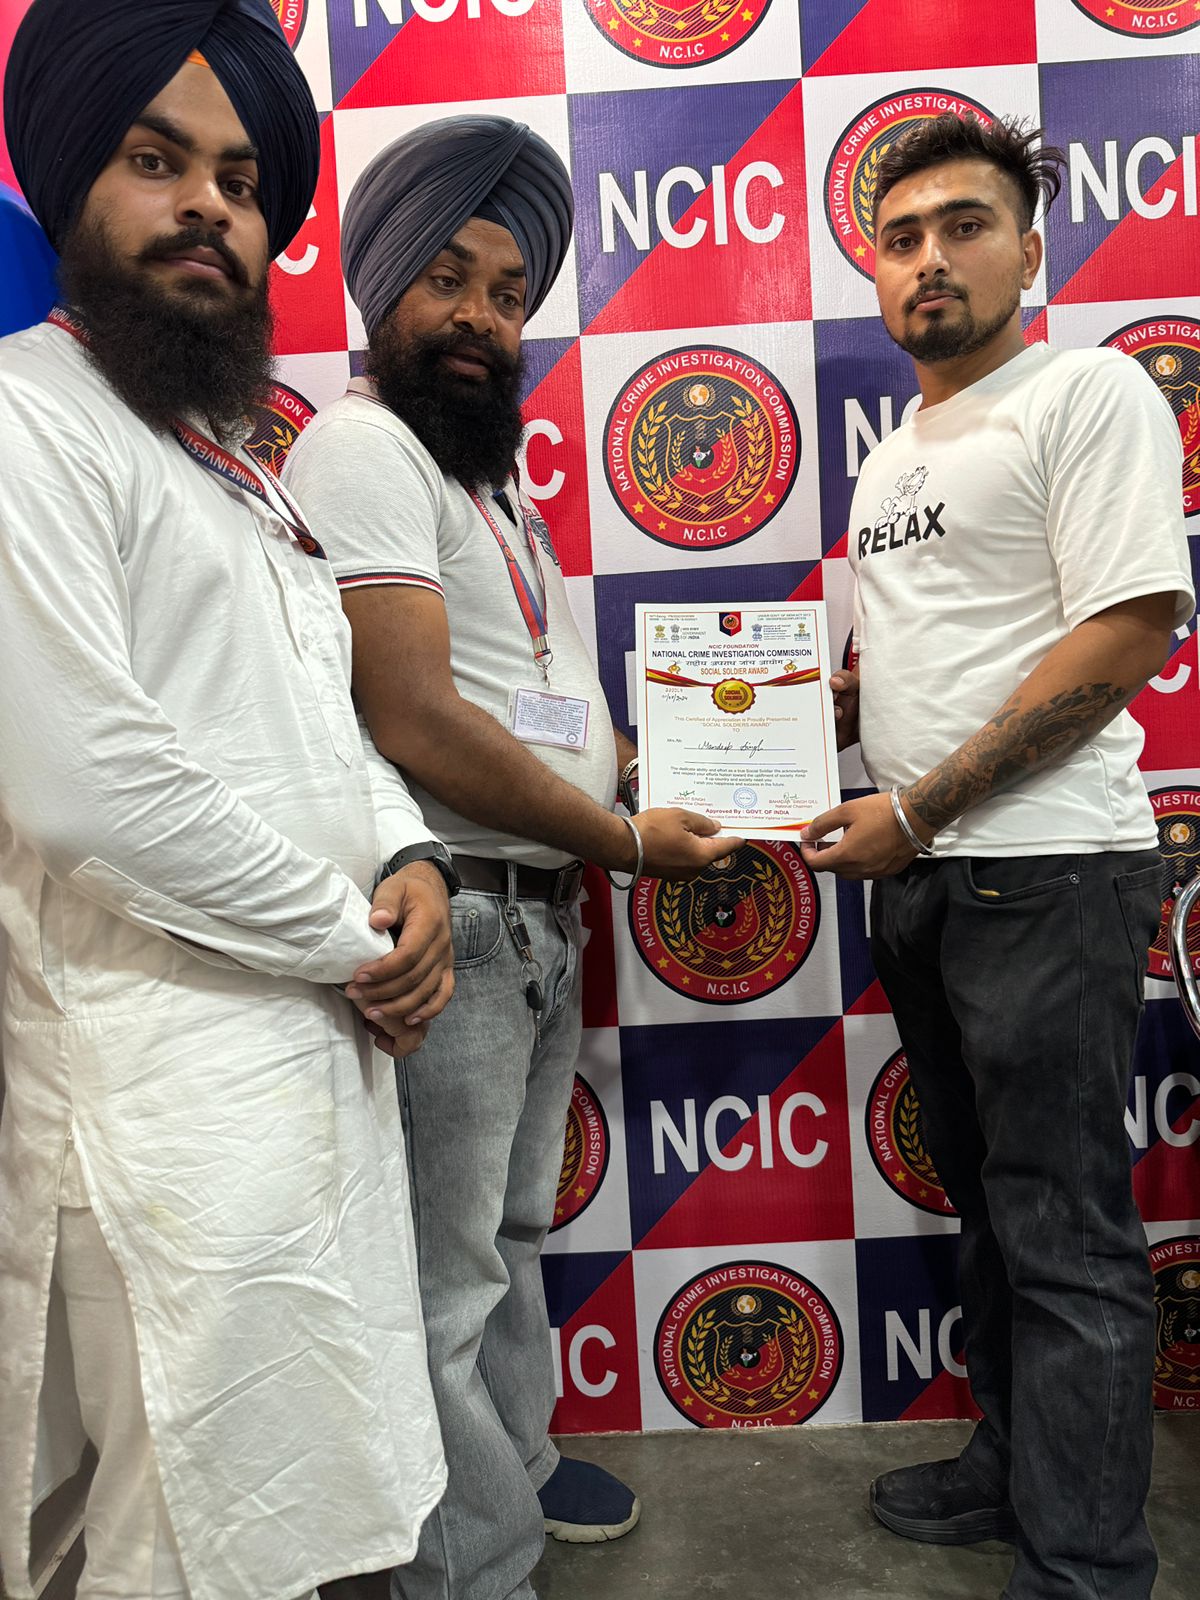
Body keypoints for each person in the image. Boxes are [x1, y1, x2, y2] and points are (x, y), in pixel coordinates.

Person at [0, 6, 456, 1599]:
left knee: (305, 1515)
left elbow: (318, 718)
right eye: (156, 161)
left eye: (243, 182)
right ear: (72, 186)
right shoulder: (26, 420)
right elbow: (88, 787)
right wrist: (356, 937)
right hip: (165, 1115)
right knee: (177, 1540)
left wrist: (407, 852)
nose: (209, 206)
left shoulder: (230, 460)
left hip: (313, 1078)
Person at [282, 115, 735, 1600]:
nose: (480, 315)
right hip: (464, 921)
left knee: (510, 1234)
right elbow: (410, 710)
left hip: (536, 916)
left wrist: (725, 744)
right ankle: (473, 1566)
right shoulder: (362, 448)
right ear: (381, 286)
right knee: (442, 1280)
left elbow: (530, 699)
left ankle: (518, 1468)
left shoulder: (485, 479)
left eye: (508, 291)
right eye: (449, 278)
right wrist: (622, 838)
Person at [800, 113, 1193, 1600]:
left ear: (1030, 250)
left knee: (1064, 1228)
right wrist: (802, 712)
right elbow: (940, 654)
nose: (930, 259)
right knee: (988, 1203)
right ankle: (1015, 1463)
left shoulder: (1085, 393)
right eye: (900, 238)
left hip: (1045, 869)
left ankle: (1086, 1563)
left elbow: (1128, 631)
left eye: (964, 226)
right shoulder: (896, 454)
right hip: (928, 879)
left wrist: (916, 812)